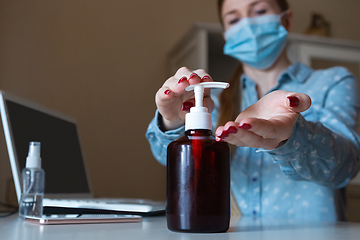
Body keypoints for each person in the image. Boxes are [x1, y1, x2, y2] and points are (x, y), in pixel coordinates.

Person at [146, 0, 360, 221]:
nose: (247, 25)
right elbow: (170, 160)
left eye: (259, 11)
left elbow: (347, 166)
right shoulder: (213, 103)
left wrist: (292, 137)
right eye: (234, 19)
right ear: (226, 34)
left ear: (286, 19)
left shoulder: (333, 82)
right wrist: (172, 121)